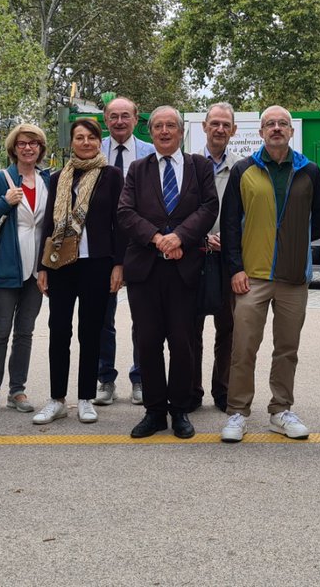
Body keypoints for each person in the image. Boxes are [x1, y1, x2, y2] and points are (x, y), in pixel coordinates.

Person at [219, 106, 320, 443]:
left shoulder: (309, 171)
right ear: (261, 132)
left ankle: (281, 410)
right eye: (270, 124)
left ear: (291, 131)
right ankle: (238, 412)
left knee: (287, 348)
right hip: (251, 276)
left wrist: (295, 242)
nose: (277, 128)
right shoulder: (244, 170)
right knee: (243, 348)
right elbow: (229, 224)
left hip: (293, 278)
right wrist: (236, 268)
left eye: (283, 123)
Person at [117, 106, 218, 439]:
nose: (164, 131)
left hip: (184, 269)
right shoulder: (137, 169)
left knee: (182, 342)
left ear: (181, 132)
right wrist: (158, 238)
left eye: (170, 125)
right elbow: (125, 212)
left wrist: (180, 237)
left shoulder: (199, 166)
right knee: (147, 342)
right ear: (151, 132)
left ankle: (180, 410)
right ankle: (155, 411)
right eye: (158, 126)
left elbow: (209, 207)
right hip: (145, 270)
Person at [30, 117, 126, 426]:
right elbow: (49, 222)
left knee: (91, 331)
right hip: (60, 263)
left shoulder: (112, 176)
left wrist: (119, 264)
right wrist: (42, 267)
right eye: (79, 137)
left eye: (91, 137)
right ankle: (57, 399)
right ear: (71, 142)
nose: (86, 142)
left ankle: (85, 397)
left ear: (100, 141)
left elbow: (120, 223)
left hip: (97, 262)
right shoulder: (59, 176)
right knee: (59, 330)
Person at [0, 124, 51, 415]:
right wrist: (4, 202)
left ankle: (17, 390)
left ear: (41, 148)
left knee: (25, 332)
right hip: (6, 267)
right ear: (13, 148)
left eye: (34, 143)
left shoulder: (47, 180)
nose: (28, 148)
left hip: (37, 269)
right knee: (1, 330)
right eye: (22, 143)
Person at [98, 96, 153, 407]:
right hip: (103, 247)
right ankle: (105, 378)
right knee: (102, 318)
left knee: (143, 317)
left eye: (125, 116)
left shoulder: (150, 153)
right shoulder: (94, 150)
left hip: (141, 244)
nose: (119, 122)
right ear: (106, 119)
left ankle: (141, 377)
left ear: (135, 119)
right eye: (113, 116)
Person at [190, 102, 239, 413]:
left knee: (229, 329)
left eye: (225, 125)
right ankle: (191, 391)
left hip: (227, 260)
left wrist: (231, 242)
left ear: (233, 130)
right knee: (190, 330)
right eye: (215, 123)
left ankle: (223, 391)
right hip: (193, 258)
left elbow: (248, 215)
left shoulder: (242, 168)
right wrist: (199, 238)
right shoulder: (189, 165)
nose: (220, 129)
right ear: (204, 127)